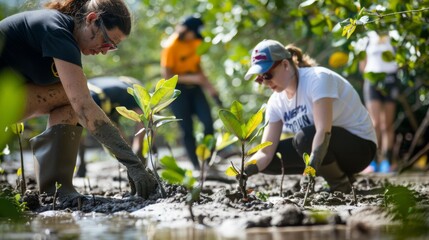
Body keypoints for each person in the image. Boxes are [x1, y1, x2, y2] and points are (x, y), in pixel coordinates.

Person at [0, 0, 157, 201]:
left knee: (69, 101)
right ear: (92, 20)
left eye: (113, 48)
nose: (104, 51)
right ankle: (56, 191)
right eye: (108, 42)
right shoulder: (56, 29)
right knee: (76, 100)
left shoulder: (66, 39)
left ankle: (55, 190)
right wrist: (133, 164)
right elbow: (83, 106)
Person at [242, 39, 377, 193]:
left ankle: (339, 184)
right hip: (327, 149)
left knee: (304, 138)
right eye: (260, 79)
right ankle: (339, 175)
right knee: (264, 158)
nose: (265, 83)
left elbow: (323, 131)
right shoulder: (275, 102)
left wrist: (311, 169)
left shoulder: (317, 79)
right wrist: (244, 172)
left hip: (360, 149)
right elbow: (265, 152)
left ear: (285, 65)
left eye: (267, 75)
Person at [160, 15, 219, 170]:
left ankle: (209, 161)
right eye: (194, 33)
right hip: (178, 91)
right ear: (187, 31)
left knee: (208, 123)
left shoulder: (196, 42)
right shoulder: (171, 46)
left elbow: (198, 67)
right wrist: (192, 79)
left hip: (196, 89)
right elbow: (167, 76)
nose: (195, 37)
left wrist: (209, 87)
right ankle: (196, 166)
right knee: (187, 129)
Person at [76, 76, 147, 177]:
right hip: (97, 99)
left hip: (86, 96)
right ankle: (133, 159)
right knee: (116, 133)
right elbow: (143, 119)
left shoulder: (118, 88)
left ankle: (82, 165)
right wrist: (136, 149)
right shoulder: (128, 91)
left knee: (76, 128)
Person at [359, 31, 399, 173]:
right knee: (374, 123)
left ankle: (387, 162)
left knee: (387, 124)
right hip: (372, 80)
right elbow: (362, 63)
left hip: (390, 79)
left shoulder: (394, 35)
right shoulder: (368, 37)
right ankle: (372, 161)